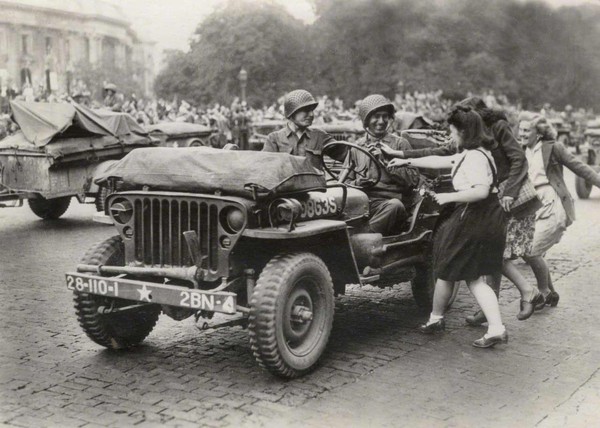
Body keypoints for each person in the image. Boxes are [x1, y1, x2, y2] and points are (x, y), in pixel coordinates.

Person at [383, 97, 544, 322]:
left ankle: (527, 294)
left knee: (496, 254)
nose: (452, 132)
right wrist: (402, 156)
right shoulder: (469, 141)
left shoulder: (492, 132)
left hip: (508, 196)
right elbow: (442, 153)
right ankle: (495, 309)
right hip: (493, 198)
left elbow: (519, 160)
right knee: (492, 255)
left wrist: (509, 192)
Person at [389, 106, 508, 348]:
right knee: (448, 270)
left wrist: (449, 198)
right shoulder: (474, 152)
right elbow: (441, 160)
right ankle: (437, 318)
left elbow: (480, 191)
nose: (450, 136)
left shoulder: (474, 157)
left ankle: (496, 328)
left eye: (453, 131)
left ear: (464, 131)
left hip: (476, 217)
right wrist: (405, 158)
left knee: (469, 277)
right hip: (481, 217)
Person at [519, 115, 600, 307]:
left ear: (538, 133)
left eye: (526, 131)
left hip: (553, 202)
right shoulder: (521, 150)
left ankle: (544, 292)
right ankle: (551, 293)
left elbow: (579, 167)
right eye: (520, 130)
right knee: (529, 250)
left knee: (531, 251)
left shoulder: (553, 147)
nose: (521, 134)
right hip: (532, 204)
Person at [344, 94, 421, 235]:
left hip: (391, 204)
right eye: (376, 116)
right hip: (363, 204)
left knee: (395, 206)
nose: (381, 121)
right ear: (366, 120)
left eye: (385, 116)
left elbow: (413, 180)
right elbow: (345, 182)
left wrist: (386, 162)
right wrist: (358, 182)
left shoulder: (399, 144)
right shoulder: (356, 147)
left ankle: (362, 239)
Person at [262, 89, 345, 170]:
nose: (311, 114)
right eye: (306, 110)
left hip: (315, 184)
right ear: (292, 113)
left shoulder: (319, 136)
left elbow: (349, 155)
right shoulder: (274, 139)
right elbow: (264, 170)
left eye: (312, 110)